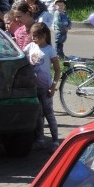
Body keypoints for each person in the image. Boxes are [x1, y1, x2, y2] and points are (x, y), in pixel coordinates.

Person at [24, 22, 61, 151]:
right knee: (38, 115)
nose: (33, 38)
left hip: (45, 88)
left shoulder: (50, 50)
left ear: (44, 35)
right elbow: (22, 57)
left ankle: (55, 140)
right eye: (32, 36)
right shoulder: (30, 47)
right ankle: (40, 139)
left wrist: (53, 86)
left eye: (35, 36)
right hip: (33, 87)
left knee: (49, 113)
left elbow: (57, 70)